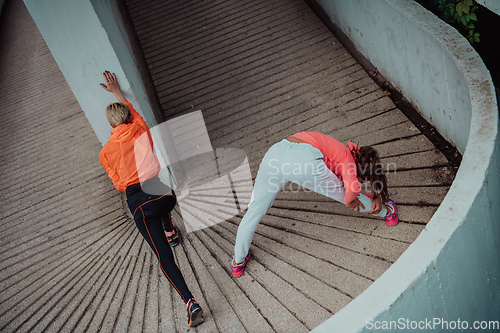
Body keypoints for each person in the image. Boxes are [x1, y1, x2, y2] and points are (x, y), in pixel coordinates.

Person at [98, 71, 204, 327]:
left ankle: (190, 302)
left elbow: (118, 185)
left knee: (163, 257)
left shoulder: (105, 153)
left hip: (139, 203)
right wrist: (116, 92)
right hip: (165, 195)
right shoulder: (141, 129)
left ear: (111, 125)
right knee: (161, 199)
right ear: (127, 118)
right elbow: (131, 112)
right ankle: (171, 230)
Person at [231, 132, 398, 277]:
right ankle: (388, 211)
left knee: (254, 211)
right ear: (359, 171)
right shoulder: (347, 161)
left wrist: (371, 194)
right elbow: (351, 193)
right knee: (348, 196)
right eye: (364, 180)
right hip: (304, 161)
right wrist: (353, 198)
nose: (362, 182)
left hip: (275, 153)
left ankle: (237, 262)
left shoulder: (340, 152)